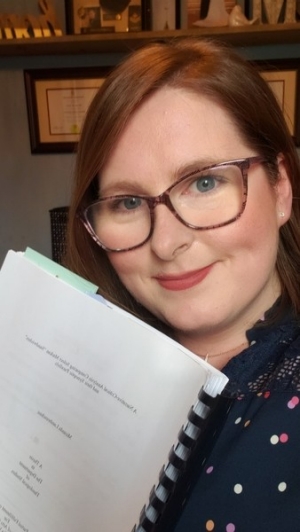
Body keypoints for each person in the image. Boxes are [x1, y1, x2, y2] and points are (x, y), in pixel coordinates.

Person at [65, 38, 300, 531]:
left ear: (280, 188)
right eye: (128, 203)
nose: (166, 244)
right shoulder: (77, 374)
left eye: (204, 182)